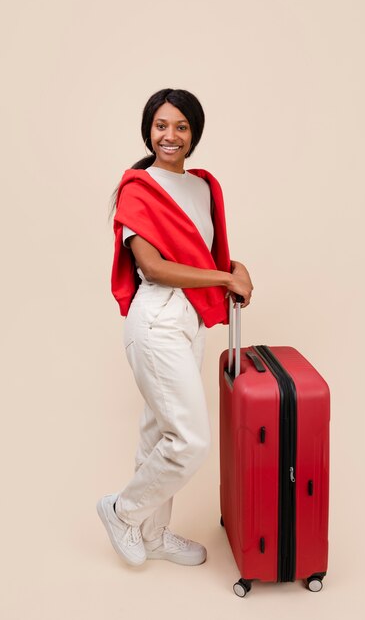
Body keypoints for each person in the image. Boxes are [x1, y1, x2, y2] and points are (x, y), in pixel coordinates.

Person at [97, 88, 253, 568]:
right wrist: (225, 276)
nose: (170, 135)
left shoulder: (204, 186)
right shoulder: (138, 188)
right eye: (161, 125)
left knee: (158, 431)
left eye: (181, 126)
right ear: (148, 129)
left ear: (194, 134)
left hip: (192, 321)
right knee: (190, 439)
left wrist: (237, 268)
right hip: (158, 317)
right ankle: (122, 511)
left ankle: (154, 533)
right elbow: (156, 266)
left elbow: (208, 256)